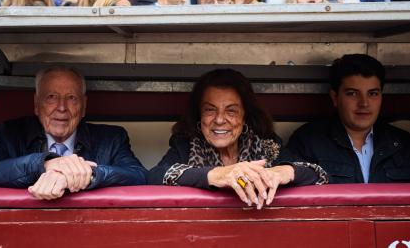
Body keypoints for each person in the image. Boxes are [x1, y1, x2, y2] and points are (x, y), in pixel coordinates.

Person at [148, 69, 328, 209]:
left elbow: (317, 174)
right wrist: (217, 175)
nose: (219, 120)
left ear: (245, 116)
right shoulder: (187, 143)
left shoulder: (266, 145)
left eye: (231, 111)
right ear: (199, 115)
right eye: (210, 110)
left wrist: (285, 172)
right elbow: (154, 176)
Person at [0, 66, 147, 200]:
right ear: (37, 105)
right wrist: (44, 164)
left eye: (71, 98)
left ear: (83, 106)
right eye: (51, 97)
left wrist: (88, 174)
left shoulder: (111, 138)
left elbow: (138, 175)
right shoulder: (11, 133)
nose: (62, 108)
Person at [287, 54, 410, 184]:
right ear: (335, 97)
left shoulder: (404, 145)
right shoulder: (307, 142)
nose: (364, 103)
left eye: (373, 93)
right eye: (352, 93)